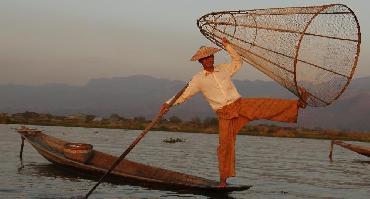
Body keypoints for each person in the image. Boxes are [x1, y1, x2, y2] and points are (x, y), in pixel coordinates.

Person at [160, 37, 308, 187]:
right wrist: (168, 104)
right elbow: (184, 94)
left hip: (239, 104)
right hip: (224, 114)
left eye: (210, 57)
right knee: (225, 146)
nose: (208, 60)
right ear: (201, 62)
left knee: (265, 104)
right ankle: (223, 180)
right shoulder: (198, 79)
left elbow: (238, 62)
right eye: (204, 59)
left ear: (213, 57)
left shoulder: (223, 69)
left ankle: (298, 104)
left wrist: (228, 46)